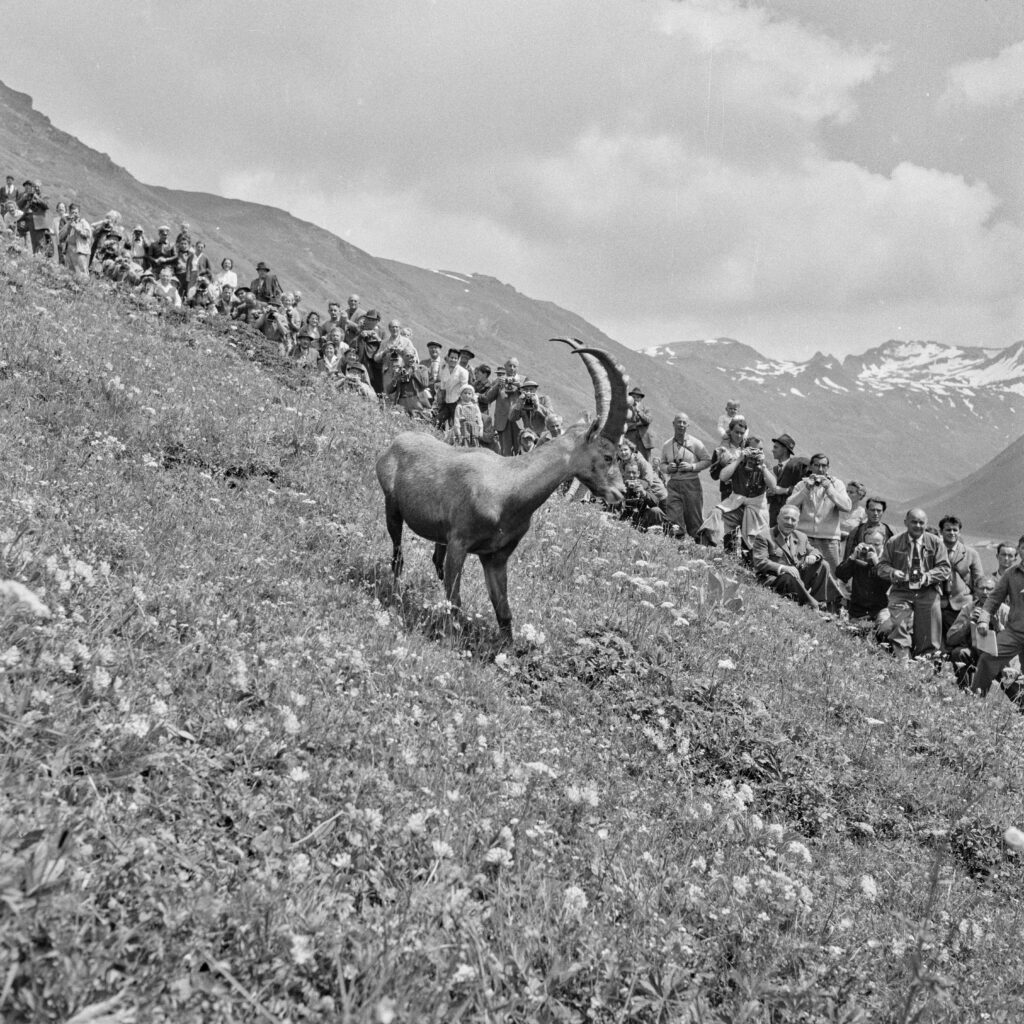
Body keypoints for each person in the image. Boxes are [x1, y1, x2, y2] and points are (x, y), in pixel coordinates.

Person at [876, 508, 951, 660]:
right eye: (914, 522)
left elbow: (945, 568)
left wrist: (927, 576)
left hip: (928, 591)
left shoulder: (935, 542)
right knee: (899, 628)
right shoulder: (894, 542)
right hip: (901, 591)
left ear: (926, 524)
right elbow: (881, 567)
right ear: (906, 522)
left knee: (928, 636)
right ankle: (903, 668)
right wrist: (893, 572)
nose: (917, 526)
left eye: (921, 523)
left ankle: (923, 670)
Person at [752, 504, 841, 611]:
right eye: (786, 518)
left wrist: (813, 555)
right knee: (790, 576)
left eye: (793, 520)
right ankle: (813, 605)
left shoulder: (801, 536)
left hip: (797, 579)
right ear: (778, 518)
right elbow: (760, 561)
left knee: (823, 565)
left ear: (797, 523)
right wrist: (784, 568)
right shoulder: (764, 536)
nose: (789, 522)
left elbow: (814, 550)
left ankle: (820, 601)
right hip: (775, 579)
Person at [699, 436, 776, 553]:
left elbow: (773, 486)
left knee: (756, 540)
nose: (756, 453)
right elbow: (723, 476)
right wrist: (739, 459)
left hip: (757, 508)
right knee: (716, 514)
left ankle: (754, 560)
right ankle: (703, 547)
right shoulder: (737, 461)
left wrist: (763, 468)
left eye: (760, 450)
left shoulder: (765, 464)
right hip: (736, 503)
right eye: (753, 450)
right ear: (744, 450)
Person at [973, 536, 1024, 707]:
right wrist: (983, 620)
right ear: (1020, 550)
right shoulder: (1011, 574)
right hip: (1014, 632)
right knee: (987, 659)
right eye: (1023, 547)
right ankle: (975, 702)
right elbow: (994, 599)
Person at [785, 454, 851, 571]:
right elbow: (789, 505)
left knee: (831, 575)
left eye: (824, 466)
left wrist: (829, 489)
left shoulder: (837, 484)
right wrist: (806, 489)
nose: (820, 469)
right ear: (811, 466)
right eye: (817, 465)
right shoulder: (802, 484)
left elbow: (846, 506)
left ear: (828, 467)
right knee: (801, 569)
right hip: (804, 537)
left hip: (829, 539)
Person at [658, 412, 710, 540]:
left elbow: (707, 460)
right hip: (673, 484)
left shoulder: (696, 443)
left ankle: (699, 548)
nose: (681, 425)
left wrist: (692, 467)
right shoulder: (666, 445)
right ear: (673, 424)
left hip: (691, 484)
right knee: (673, 518)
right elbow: (662, 464)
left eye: (684, 422)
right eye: (679, 422)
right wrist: (668, 468)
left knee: (694, 520)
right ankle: (677, 548)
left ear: (688, 425)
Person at [946, 576, 999, 690]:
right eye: (982, 588)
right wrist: (967, 623)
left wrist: (997, 624)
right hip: (974, 653)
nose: (985, 592)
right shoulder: (969, 608)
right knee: (958, 653)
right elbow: (950, 639)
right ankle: (965, 691)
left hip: (998, 655)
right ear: (975, 590)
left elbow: (1015, 639)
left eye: (990, 589)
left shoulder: (1004, 610)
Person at [937, 515, 984, 640]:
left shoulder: (971, 553)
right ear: (941, 532)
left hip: (963, 604)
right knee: (938, 640)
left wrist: (974, 603)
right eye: (948, 530)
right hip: (938, 604)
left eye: (955, 530)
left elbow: (979, 581)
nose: (952, 533)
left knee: (960, 639)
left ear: (959, 532)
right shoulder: (933, 551)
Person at [836, 526, 890, 621]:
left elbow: (887, 586)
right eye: (869, 544)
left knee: (884, 623)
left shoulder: (887, 561)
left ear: (883, 543)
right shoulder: (858, 558)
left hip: (879, 610)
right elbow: (840, 574)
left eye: (876, 544)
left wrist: (876, 563)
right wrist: (853, 557)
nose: (872, 547)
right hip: (858, 610)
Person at [766, 433, 810, 526]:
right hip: (774, 517)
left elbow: (808, 485)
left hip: (792, 518)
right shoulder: (773, 470)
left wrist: (785, 490)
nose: (772, 450)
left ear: (785, 449)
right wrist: (769, 493)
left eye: (776, 447)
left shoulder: (798, 464)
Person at [483, 358, 524, 455]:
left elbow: (530, 396)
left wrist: (520, 387)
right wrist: (497, 385)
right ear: (505, 367)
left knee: (521, 450)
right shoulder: (499, 380)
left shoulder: (524, 380)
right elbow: (488, 398)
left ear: (518, 368)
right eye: (509, 366)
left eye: (514, 366)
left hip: (518, 420)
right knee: (505, 451)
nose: (512, 368)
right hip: (503, 421)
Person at [709, 418, 748, 500]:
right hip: (728, 493)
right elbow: (714, 476)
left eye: (742, 433)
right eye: (736, 432)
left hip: (746, 494)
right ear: (730, 431)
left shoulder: (748, 450)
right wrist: (721, 463)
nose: (739, 436)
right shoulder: (720, 451)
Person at [435, 347, 471, 429]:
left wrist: (461, 403)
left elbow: (464, 388)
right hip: (445, 401)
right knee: (437, 421)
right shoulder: (444, 368)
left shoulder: (463, 372)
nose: (453, 360)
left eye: (455, 358)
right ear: (448, 357)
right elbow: (442, 385)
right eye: (451, 357)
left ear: (458, 359)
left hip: (457, 402)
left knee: (456, 426)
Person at [17, 180, 50, 254]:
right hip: (27, 219)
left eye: (38, 187)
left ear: (40, 188)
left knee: (38, 243)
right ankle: (21, 251)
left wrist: (36, 197)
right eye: (34, 187)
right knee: (16, 229)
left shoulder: (44, 196)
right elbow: (18, 205)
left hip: (39, 222)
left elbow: (46, 206)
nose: (36, 188)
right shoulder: (28, 195)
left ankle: (38, 258)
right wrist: (25, 197)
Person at [59, 206, 92, 278]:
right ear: (69, 213)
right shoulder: (68, 223)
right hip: (69, 250)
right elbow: (61, 236)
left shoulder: (84, 223)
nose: (74, 214)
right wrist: (68, 227)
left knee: (82, 272)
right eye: (72, 212)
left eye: (76, 213)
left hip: (80, 250)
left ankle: (84, 287)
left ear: (79, 213)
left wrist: (76, 227)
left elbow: (87, 234)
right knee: (70, 272)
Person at [625, 387, 654, 463]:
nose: (635, 399)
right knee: (630, 462)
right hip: (630, 441)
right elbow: (624, 426)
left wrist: (639, 411)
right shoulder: (626, 410)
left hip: (644, 443)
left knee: (645, 463)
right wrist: (638, 424)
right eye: (633, 397)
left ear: (641, 399)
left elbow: (648, 420)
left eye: (638, 397)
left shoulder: (646, 409)